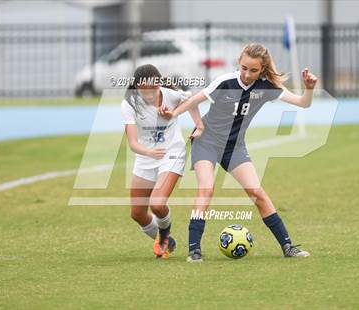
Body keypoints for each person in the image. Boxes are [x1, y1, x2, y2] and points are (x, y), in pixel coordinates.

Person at [159, 43, 317, 262]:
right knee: (206, 189)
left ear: (262, 69)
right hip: (206, 142)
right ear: (239, 63)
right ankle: (194, 250)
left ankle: (288, 246)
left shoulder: (267, 87)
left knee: (257, 193)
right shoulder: (225, 82)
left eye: (253, 70)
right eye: (244, 68)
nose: (247, 74)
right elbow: (195, 99)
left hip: (235, 147)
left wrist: (308, 88)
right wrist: (173, 114)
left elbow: (303, 104)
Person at [121, 64, 204, 258]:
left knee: (157, 204)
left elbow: (192, 100)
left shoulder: (170, 95)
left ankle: (164, 235)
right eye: (144, 91)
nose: (149, 95)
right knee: (137, 214)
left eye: (153, 90)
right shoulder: (129, 103)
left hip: (172, 154)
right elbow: (133, 143)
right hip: (145, 156)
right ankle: (169, 240)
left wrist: (198, 125)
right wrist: (149, 152)